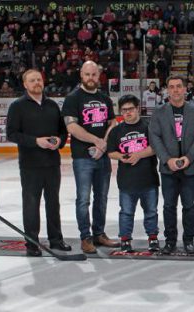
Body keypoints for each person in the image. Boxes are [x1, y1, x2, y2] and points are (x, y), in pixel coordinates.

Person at [6, 69, 70, 257]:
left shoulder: (52, 105)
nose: (37, 83)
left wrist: (59, 141)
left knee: (53, 203)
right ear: (25, 85)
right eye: (32, 80)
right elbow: (12, 134)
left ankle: (56, 240)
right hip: (30, 165)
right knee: (31, 204)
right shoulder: (17, 106)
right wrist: (35, 141)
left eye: (39, 79)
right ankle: (32, 243)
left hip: (52, 163)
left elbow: (62, 131)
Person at [62, 61, 120, 253]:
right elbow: (72, 127)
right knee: (83, 199)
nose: (90, 78)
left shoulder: (105, 98)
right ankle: (85, 237)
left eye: (94, 74)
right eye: (87, 74)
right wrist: (97, 141)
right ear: (81, 74)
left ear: (99, 75)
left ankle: (99, 234)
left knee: (101, 198)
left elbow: (112, 123)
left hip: (103, 157)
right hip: (82, 157)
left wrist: (103, 145)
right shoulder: (73, 98)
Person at [149, 76, 194, 254]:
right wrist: (167, 159)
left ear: (184, 89)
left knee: (189, 205)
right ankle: (170, 240)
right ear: (167, 90)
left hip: (190, 167)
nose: (175, 90)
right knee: (168, 206)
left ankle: (189, 240)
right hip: (168, 168)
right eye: (171, 87)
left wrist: (189, 157)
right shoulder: (159, 112)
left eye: (178, 87)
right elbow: (154, 137)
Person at [107, 95, 159, 253]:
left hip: (148, 178)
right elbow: (110, 152)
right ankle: (125, 239)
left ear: (137, 109)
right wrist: (121, 156)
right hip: (127, 180)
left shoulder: (148, 126)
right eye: (124, 110)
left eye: (130, 109)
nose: (127, 112)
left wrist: (138, 155)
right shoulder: (116, 131)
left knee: (151, 211)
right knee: (126, 212)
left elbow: (155, 147)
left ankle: (153, 238)